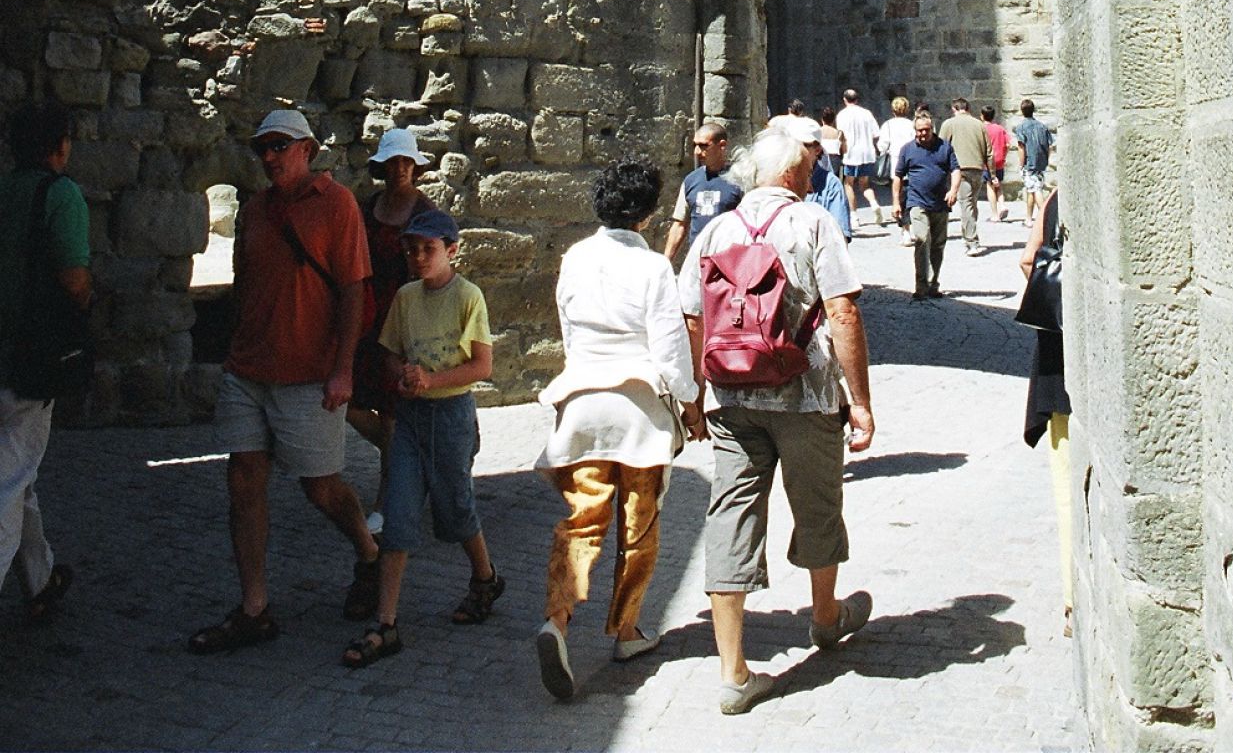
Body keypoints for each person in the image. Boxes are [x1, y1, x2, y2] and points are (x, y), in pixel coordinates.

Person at [679, 125, 875, 715]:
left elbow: (691, 315)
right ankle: (824, 617)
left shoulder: (716, 227)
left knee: (731, 514)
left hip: (732, 396)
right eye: (810, 164)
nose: (815, 172)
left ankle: (734, 671)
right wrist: (860, 400)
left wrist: (695, 394)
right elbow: (842, 310)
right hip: (804, 393)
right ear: (793, 173)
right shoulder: (813, 221)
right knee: (818, 504)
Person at [188, 107, 379, 654]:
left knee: (319, 486)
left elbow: (353, 292)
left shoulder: (337, 205)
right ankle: (255, 607)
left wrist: (343, 368)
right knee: (244, 481)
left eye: (279, 146)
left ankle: (367, 551)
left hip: (306, 373)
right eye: (262, 148)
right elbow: (244, 284)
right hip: (249, 370)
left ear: (307, 149)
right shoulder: (254, 210)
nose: (269, 157)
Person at [535, 160, 700, 703]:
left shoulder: (575, 258)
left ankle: (557, 620)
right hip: (637, 408)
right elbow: (670, 348)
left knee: (581, 520)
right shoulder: (653, 268)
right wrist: (690, 397)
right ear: (649, 214)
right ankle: (626, 630)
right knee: (638, 523)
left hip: (582, 401)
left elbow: (566, 326)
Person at [342, 207, 501, 667]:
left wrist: (433, 381)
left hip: (450, 415)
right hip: (410, 417)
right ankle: (386, 622)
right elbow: (389, 352)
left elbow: (482, 365)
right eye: (411, 249)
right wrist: (402, 379)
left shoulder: (468, 297)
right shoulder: (406, 298)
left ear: (451, 251)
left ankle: (485, 576)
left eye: (428, 249)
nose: (418, 257)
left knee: (455, 508)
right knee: (399, 512)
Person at [0, 105, 92, 625]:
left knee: (17, 472)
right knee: (10, 483)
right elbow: (74, 279)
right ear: (59, 145)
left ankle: (40, 578)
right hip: (28, 363)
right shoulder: (60, 195)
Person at [348, 130, 434, 532]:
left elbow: (437, 266)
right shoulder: (368, 208)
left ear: (414, 167)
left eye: (406, 162)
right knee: (352, 404)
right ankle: (408, 457)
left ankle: (386, 501)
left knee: (395, 412)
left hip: (407, 320)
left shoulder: (425, 212)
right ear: (382, 167)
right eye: (393, 163)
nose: (400, 169)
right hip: (368, 316)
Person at [1022, 190, 1072, 635]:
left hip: (1059, 361)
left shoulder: (1057, 198)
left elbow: (1029, 261)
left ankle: (1074, 595)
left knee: (1067, 482)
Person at [892, 110, 961, 301]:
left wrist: (954, 190)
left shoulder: (944, 147)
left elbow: (955, 170)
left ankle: (934, 283)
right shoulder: (908, 149)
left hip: (940, 202)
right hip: (916, 201)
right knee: (922, 239)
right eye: (919, 131)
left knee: (938, 245)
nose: (923, 134)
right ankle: (921, 285)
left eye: (926, 130)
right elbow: (898, 176)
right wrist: (896, 202)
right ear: (915, 131)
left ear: (932, 128)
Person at [662, 122, 742, 264]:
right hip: (697, 262)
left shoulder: (739, 180)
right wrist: (666, 262)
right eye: (695, 145)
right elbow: (680, 224)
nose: (697, 152)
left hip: (730, 262)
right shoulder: (690, 181)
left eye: (704, 146)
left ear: (722, 145)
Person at [775, 115, 853, 238]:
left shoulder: (831, 185)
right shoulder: (776, 180)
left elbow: (839, 238)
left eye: (802, 145)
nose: (795, 150)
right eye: (790, 144)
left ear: (817, 150)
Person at [939, 96, 990, 255]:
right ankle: (969, 235)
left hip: (960, 170)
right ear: (967, 108)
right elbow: (989, 151)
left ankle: (971, 241)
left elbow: (941, 147)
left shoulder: (949, 124)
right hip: (978, 168)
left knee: (966, 204)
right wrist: (992, 173)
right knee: (972, 203)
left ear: (954, 109)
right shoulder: (979, 124)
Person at [835, 89, 882, 226]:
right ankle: (874, 204)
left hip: (851, 154)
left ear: (845, 99)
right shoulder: (866, 113)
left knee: (849, 184)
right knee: (865, 184)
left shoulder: (842, 115)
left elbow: (841, 135)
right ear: (857, 99)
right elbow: (875, 133)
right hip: (867, 153)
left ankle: (854, 215)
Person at [876, 96, 916, 241]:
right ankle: (908, 224)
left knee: (898, 195)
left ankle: (905, 228)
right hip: (911, 163)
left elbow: (882, 146)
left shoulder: (887, 125)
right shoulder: (911, 124)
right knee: (909, 194)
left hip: (895, 164)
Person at [1015, 100, 1055, 225]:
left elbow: (1022, 147)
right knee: (1031, 188)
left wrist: (1021, 165)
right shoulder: (1042, 126)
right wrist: (1046, 160)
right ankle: (1028, 218)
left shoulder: (1021, 127)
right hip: (1041, 162)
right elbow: (1050, 146)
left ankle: (1045, 218)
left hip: (1029, 163)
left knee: (1036, 190)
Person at [981, 104, 1012, 223]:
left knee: (990, 185)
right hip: (1000, 160)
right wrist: (1004, 155)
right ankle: (1002, 205)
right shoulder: (1000, 128)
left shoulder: (982, 129)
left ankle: (994, 214)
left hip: (988, 161)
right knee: (998, 184)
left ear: (982, 116)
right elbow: (1008, 144)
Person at [816, 108, 843, 179]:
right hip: (835, 161)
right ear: (833, 120)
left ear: (822, 119)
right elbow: (841, 149)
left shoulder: (818, 132)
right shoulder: (838, 133)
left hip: (821, 159)